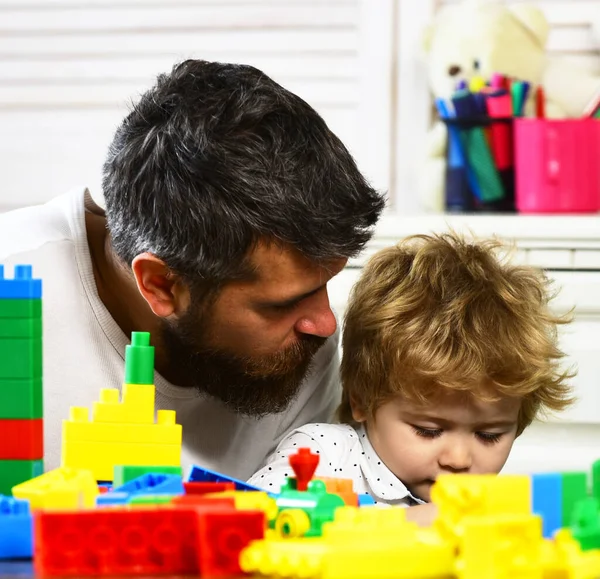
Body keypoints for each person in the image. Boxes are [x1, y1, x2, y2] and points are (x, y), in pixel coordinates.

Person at [0, 60, 385, 478]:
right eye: (280, 305)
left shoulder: (303, 347)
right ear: (162, 285)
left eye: (325, 283)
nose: (326, 324)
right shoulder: (16, 284)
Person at [248, 233, 575, 524]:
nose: (459, 459)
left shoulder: (483, 504)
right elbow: (257, 520)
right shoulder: (323, 453)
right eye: (429, 431)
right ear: (361, 400)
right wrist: (412, 522)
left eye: (488, 435)